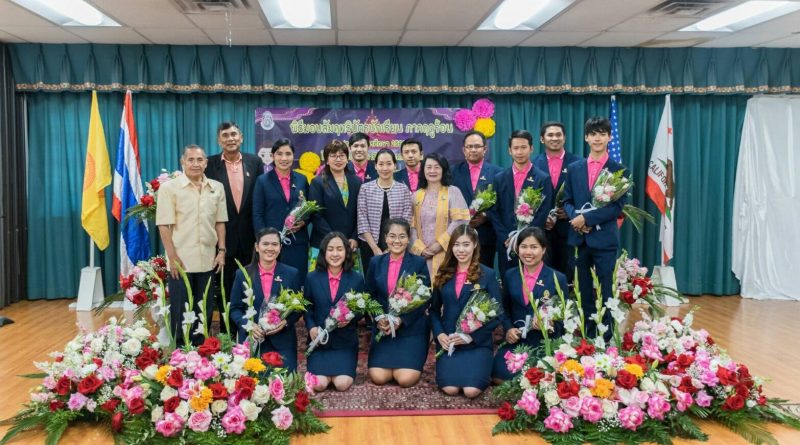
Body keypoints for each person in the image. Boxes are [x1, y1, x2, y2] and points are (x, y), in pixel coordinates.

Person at [156, 144, 227, 346]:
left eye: (200, 160)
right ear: (183, 162)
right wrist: (172, 257)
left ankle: (202, 349)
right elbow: (164, 226)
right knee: (181, 309)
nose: (195, 164)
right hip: (181, 261)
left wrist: (221, 250)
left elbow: (220, 222)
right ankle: (181, 351)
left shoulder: (216, 187)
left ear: (206, 163)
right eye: (191, 160)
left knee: (204, 308)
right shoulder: (169, 188)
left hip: (208, 260)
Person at [563, 117, 628, 338]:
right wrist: (576, 219)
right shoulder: (574, 168)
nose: (597, 138)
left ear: (609, 137)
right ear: (586, 137)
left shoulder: (619, 170)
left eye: (602, 134)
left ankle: (606, 337)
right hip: (579, 239)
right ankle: (587, 335)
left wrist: (587, 219)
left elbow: (617, 207)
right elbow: (567, 201)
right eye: (593, 134)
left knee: (606, 290)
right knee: (582, 290)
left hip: (605, 240)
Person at [431, 224, 501, 398]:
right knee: (450, 389)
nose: (461, 250)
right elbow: (433, 310)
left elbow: (498, 315)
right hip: (450, 342)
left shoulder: (487, 275)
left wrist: (471, 337)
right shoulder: (444, 272)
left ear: (475, 245)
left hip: (477, 343)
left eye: (466, 244)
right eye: (456, 245)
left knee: (471, 391)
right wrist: (439, 334)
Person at [491, 226, 567, 382]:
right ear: (517, 249)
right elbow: (504, 308)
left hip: (544, 342)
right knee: (497, 373)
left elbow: (563, 317)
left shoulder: (557, 278)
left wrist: (549, 323)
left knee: (540, 375)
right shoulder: (510, 275)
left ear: (543, 250)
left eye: (534, 247)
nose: (528, 252)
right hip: (517, 341)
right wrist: (508, 329)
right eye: (524, 247)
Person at [205, 122, 263, 319]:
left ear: (241, 138)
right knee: (225, 289)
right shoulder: (209, 164)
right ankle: (227, 329)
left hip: (250, 239)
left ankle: (251, 328)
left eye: (233, 134)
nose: (230, 138)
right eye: (225, 135)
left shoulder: (255, 162)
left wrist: (259, 236)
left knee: (251, 287)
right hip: (222, 240)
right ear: (218, 140)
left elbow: (259, 199)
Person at [366, 218, 430, 387]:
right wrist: (379, 317)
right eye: (392, 236)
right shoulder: (375, 262)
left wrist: (401, 320)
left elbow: (424, 299)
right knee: (379, 378)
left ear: (408, 239)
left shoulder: (419, 263)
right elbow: (369, 295)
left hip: (410, 329)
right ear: (385, 238)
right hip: (384, 329)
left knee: (405, 379)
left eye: (402, 236)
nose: (397, 241)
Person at [230, 227, 301, 370]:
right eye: (265, 244)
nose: (270, 248)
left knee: (285, 380)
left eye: (274, 244)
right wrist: (249, 325)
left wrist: (285, 322)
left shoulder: (291, 273)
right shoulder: (242, 274)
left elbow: (298, 308)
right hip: (253, 339)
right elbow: (235, 309)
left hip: (282, 341)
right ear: (257, 247)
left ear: (280, 248)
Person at [305, 232, 365, 392]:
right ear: (324, 252)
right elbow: (307, 308)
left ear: (347, 252)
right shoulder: (312, 278)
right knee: (319, 384)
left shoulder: (357, 279)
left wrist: (351, 318)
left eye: (340, 249)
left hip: (344, 343)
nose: (335, 254)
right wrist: (311, 327)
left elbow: (362, 310)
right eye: (330, 249)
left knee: (342, 384)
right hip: (319, 342)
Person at [490, 130, 553, 277]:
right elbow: (494, 211)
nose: (519, 152)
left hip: (532, 244)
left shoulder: (542, 178)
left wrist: (524, 238)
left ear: (531, 149)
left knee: (533, 282)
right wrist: (506, 237)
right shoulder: (499, 178)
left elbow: (543, 212)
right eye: (516, 148)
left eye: (523, 147)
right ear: (509, 150)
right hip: (506, 243)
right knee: (508, 281)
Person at [252, 138, 310, 282]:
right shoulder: (262, 181)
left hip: (297, 243)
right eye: (279, 154)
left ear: (293, 156)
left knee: (296, 283)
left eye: (288, 154)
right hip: (271, 246)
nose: (284, 158)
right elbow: (257, 213)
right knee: (272, 285)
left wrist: (304, 222)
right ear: (273, 156)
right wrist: (265, 241)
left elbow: (309, 209)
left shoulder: (302, 179)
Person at [533, 121, 582, 278]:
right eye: (550, 135)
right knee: (543, 277)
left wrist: (571, 212)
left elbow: (585, 195)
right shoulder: (533, 164)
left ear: (564, 138)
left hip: (569, 229)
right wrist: (542, 217)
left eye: (558, 135)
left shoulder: (579, 163)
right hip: (541, 231)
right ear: (542, 139)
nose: (554, 138)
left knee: (568, 276)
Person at [411, 153, 471, 278]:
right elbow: (411, 226)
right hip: (422, 255)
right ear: (423, 170)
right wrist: (420, 248)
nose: (432, 171)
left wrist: (439, 244)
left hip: (447, 252)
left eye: (437, 167)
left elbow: (459, 221)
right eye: (429, 167)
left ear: (443, 170)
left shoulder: (453, 192)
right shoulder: (416, 196)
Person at [357, 148, 412, 274]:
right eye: (381, 164)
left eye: (389, 164)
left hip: (397, 244)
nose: (385, 168)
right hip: (370, 245)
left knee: (396, 279)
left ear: (395, 165)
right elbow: (362, 220)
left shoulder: (403, 189)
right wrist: (375, 248)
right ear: (375, 166)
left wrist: (391, 248)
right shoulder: (365, 188)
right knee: (372, 280)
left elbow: (406, 220)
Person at [309, 140, 362, 270]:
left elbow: (361, 213)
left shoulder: (356, 182)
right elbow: (316, 215)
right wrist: (334, 240)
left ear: (347, 159)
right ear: (327, 160)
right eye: (333, 156)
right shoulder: (318, 182)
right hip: (323, 243)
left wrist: (354, 237)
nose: (338, 159)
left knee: (349, 281)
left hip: (350, 244)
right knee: (321, 280)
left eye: (342, 155)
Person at [452, 130, 502, 267]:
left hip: (486, 234)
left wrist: (486, 216)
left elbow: (503, 203)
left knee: (484, 272)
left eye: (477, 146)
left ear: (485, 149)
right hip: (459, 234)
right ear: (464, 150)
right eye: (469, 147)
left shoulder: (498, 173)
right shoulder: (453, 172)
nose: (473, 150)